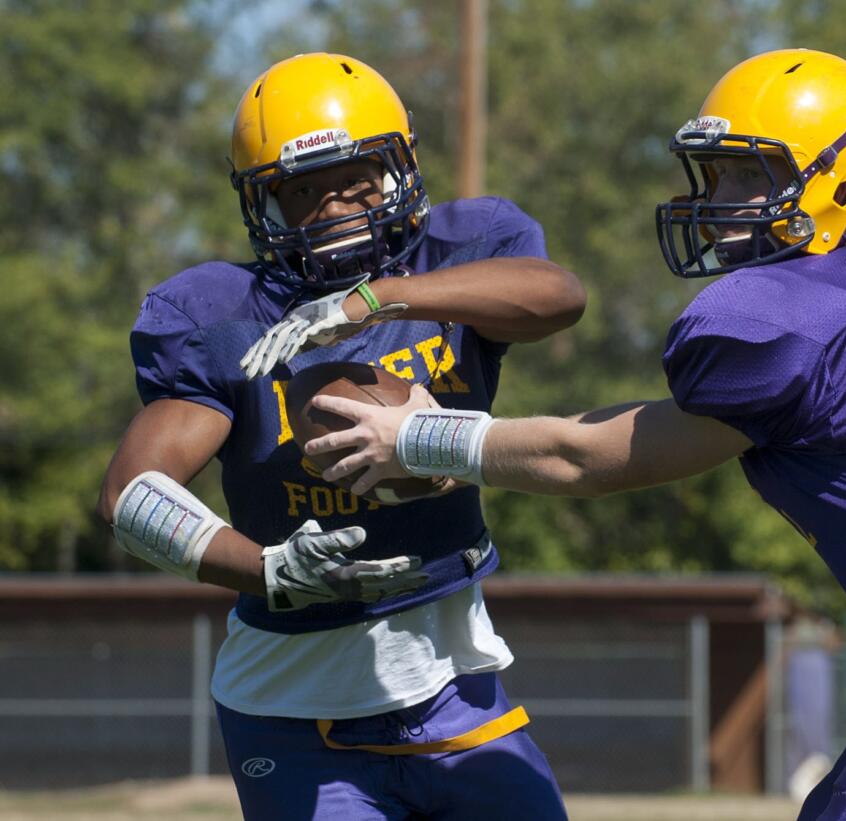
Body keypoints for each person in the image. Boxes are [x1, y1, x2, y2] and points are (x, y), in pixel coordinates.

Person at [288, 50, 846, 820]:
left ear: (840, 179)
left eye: (747, 178)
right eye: (716, 177)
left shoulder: (793, 313)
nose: (719, 204)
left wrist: (425, 436)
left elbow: (589, 455)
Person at [96, 52, 584, 821]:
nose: (335, 209)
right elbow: (131, 494)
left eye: (354, 178)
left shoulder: (458, 253)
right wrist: (270, 570)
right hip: (293, 705)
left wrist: (378, 299)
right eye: (303, 191)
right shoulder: (227, 315)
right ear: (264, 204)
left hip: (453, 674)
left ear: (400, 167)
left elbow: (559, 297)